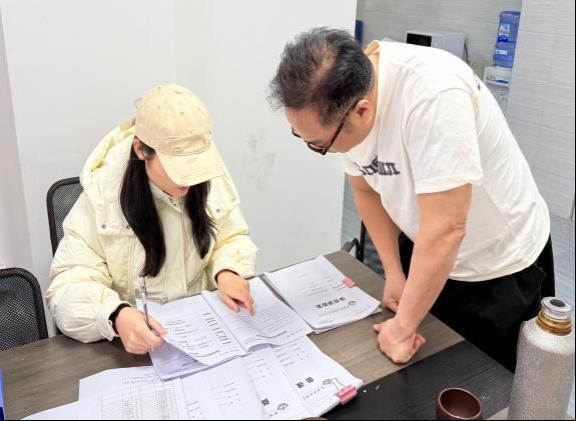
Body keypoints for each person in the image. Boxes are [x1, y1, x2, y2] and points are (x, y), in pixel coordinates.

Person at [269, 28, 553, 371]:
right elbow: (365, 189)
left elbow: (448, 228)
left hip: (497, 261)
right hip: (428, 245)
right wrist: (393, 271)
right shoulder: (346, 97)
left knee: (482, 381)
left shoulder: (434, 95)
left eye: (317, 144)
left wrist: (402, 328)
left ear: (361, 111)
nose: (316, 148)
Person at [47, 84, 258, 355]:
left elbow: (232, 236)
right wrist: (115, 314)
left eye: (194, 164)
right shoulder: (101, 197)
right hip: (134, 348)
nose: (189, 178)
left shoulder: (207, 179)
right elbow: (67, 285)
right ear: (141, 150)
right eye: (177, 165)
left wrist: (227, 271)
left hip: (203, 336)